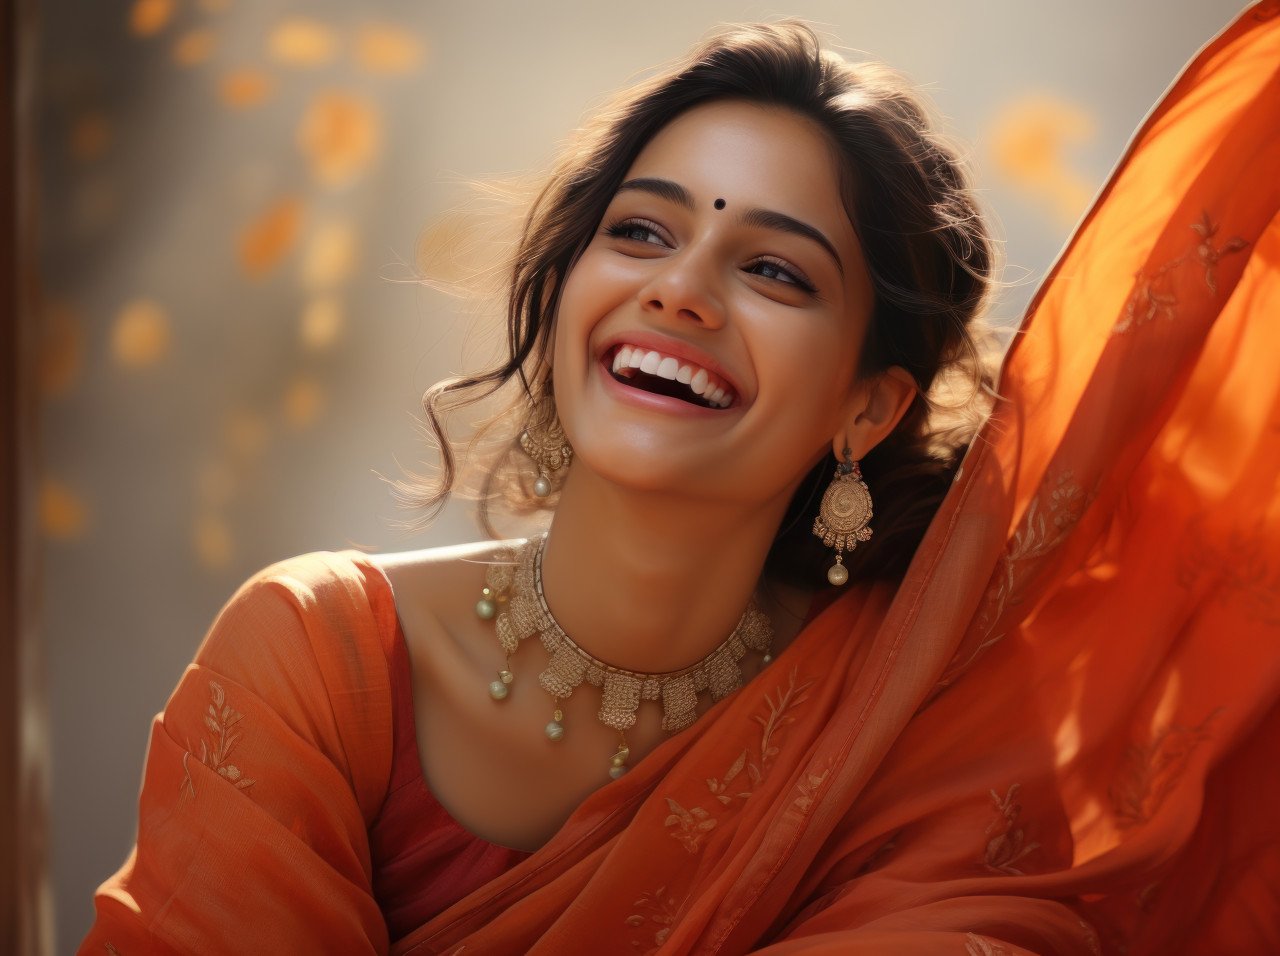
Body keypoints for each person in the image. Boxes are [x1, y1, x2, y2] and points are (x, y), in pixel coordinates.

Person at [83, 6, 1280, 954]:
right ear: (565, 289)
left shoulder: (904, 714)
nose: (679, 289)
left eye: (773, 270)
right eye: (642, 232)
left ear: (868, 406)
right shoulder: (319, 655)